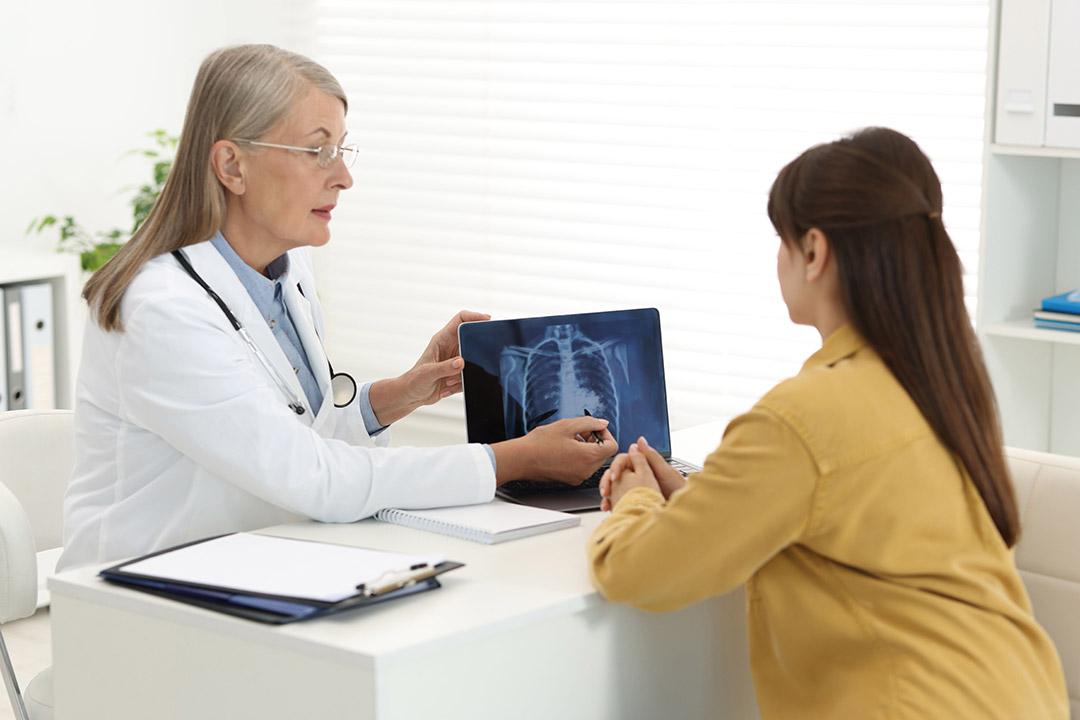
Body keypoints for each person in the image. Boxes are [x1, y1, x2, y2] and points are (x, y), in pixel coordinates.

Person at [57, 44, 615, 571]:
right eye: (317, 150)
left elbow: (298, 437)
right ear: (231, 166)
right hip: (140, 601)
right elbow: (314, 476)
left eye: (342, 149)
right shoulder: (159, 309)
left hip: (262, 562)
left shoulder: (286, 272)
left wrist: (398, 395)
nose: (343, 177)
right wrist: (516, 459)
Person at [588, 128, 1068, 718]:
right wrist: (702, 503)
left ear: (814, 251)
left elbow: (639, 572)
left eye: (780, 240)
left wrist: (636, 498)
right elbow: (855, 521)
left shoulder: (801, 418)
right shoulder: (940, 383)